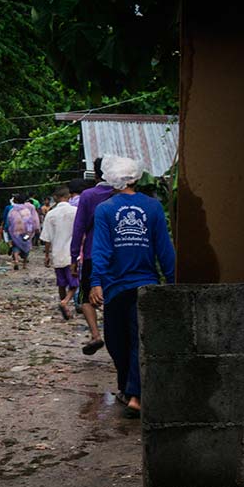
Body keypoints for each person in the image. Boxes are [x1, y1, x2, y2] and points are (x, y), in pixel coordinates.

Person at [90, 156, 175, 418]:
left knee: (122, 341)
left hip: (128, 285)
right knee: (129, 341)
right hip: (130, 285)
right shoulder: (148, 207)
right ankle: (129, 390)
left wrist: (95, 282)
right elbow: (165, 249)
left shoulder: (111, 209)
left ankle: (135, 395)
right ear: (136, 178)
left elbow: (101, 250)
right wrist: (172, 281)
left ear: (110, 179)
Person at [70, 158, 114, 355]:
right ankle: (115, 334)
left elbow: (79, 228)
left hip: (91, 253)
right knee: (113, 294)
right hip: (117, 254)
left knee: (86, 296)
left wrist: (73, 257)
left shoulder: (88, 195)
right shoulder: (120, 194)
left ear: (96, 174)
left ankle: (96, 334)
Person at [39, 186, 79, 319]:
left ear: (55, 198)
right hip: (72, 254)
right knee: (74, 283)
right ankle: (65, 302)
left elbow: (47, 238)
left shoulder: (51, 214)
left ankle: (64, 305)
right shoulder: (76, 211)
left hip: (57, 253)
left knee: (61, 283)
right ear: (69, 197)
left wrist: (46, 255)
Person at [5, 193, 39, 269]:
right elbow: (31, 221)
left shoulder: (12, 210)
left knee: (15, 245)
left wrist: (7, 230)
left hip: (15, 231)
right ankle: (24, 264)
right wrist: (32, 231)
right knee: (26, 244)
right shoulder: (27, 210)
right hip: (26, 232)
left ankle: (16, 260)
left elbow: (9, 221)